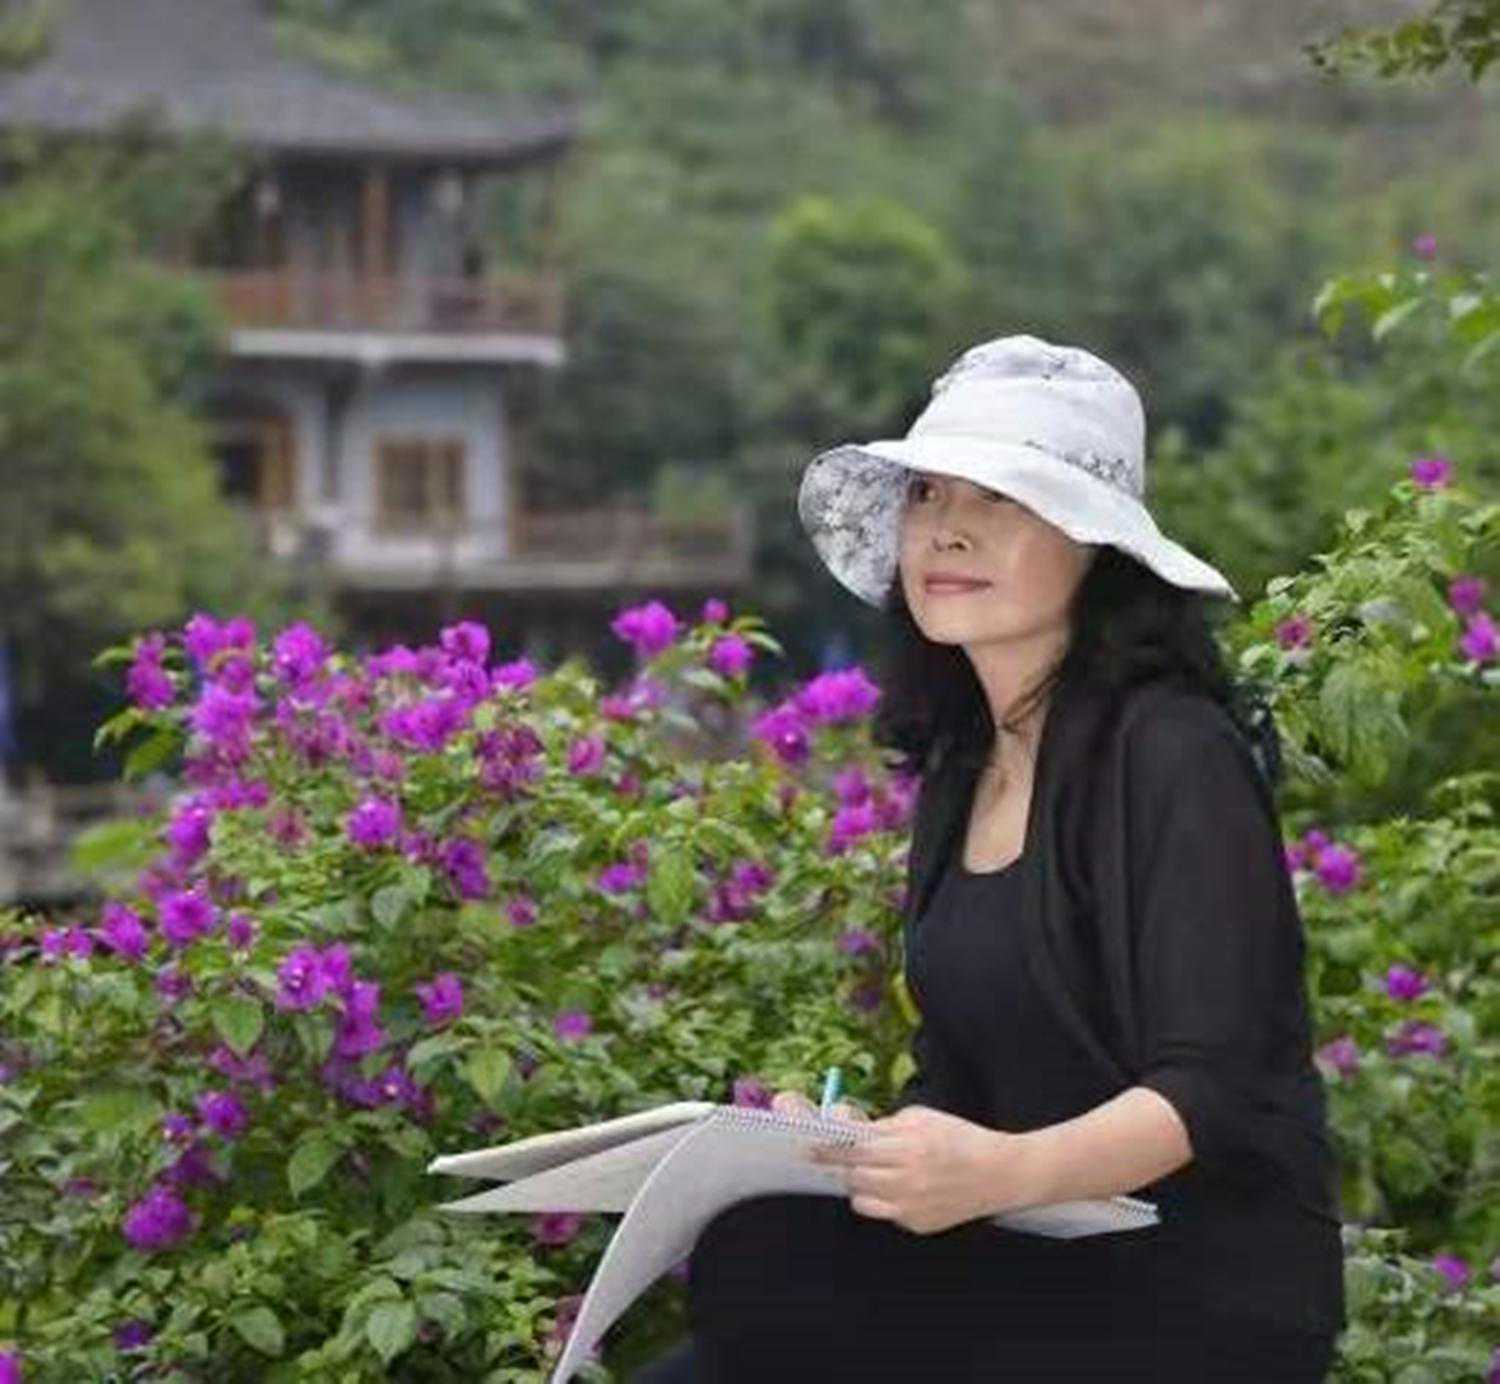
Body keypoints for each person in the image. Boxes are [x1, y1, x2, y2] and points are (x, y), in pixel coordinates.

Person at [631, 335, 1346, 1382]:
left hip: (1199, 1291)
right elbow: (962, 1080)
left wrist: (1004, 1170)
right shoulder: (966, 762)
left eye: (999, 499)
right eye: (927, 494)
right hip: (1035, 1251)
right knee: (761, 1246)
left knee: (769, 1276)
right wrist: (853, 1150)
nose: (948, 529)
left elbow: (1213, 1087)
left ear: (1094, 542)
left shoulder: (1173, 750)